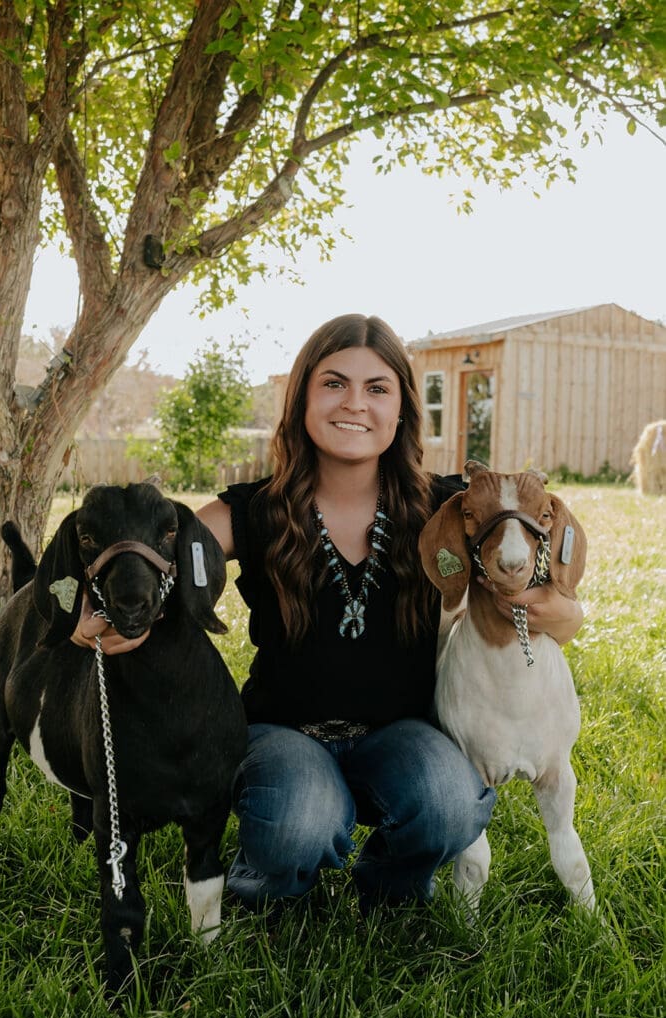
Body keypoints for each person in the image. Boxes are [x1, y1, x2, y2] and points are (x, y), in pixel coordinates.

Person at [75, 313, 583, 915]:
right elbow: (158, 545)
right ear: (302, 400)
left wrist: (553, 608)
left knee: (450, 800)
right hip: (282, 733)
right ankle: (265, 885)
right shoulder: (254, 510)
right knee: (300, 820)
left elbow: (565, 615)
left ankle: (388, 886)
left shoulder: (447, 510)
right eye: (334, 383)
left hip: (403, 731)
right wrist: (85, 602)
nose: (355, 405)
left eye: (377, 389)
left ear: (401, 410)